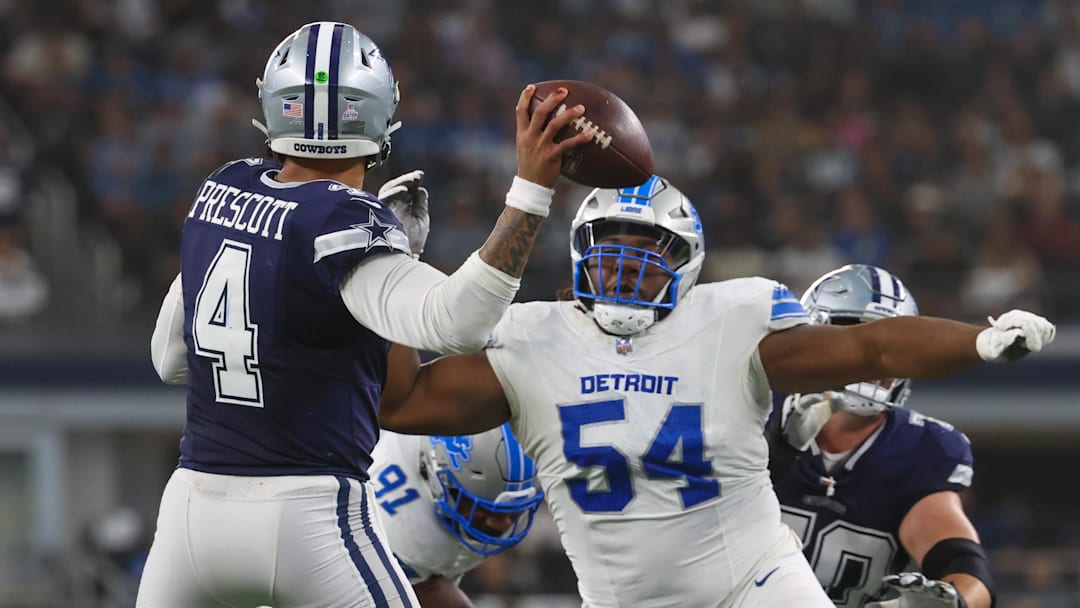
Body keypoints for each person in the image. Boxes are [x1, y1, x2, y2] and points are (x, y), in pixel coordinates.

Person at [377, 175, 1056, 608]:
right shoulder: (533, 339)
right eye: (609, 252)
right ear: (581, 255)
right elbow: (400, 403)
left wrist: (978, 340)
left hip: (754, 580)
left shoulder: (731, 323)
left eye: (646, 254)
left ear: (688, 264)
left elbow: (869, 347)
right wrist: (394, 278)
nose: (625, 268)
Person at [137, 21, 593, 608]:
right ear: (379, 120)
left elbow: (169, 359)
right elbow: (459, 323)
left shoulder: (221, 191)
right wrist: (531, 188)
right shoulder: (349, 225)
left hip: (190, 514)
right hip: (307, 515)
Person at [766, 265, 995, 608]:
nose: (874, 356)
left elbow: (960, 560)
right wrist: (777, 452)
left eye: (891, 343)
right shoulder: (756, 411)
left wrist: (955, 602)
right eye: (854, 338)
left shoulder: (921, 450)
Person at [368, 424, 544, 607]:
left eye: (515, 511)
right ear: (441, 481)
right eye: (487, 510)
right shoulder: (406, 528)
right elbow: (428, 590)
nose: (503, 524)